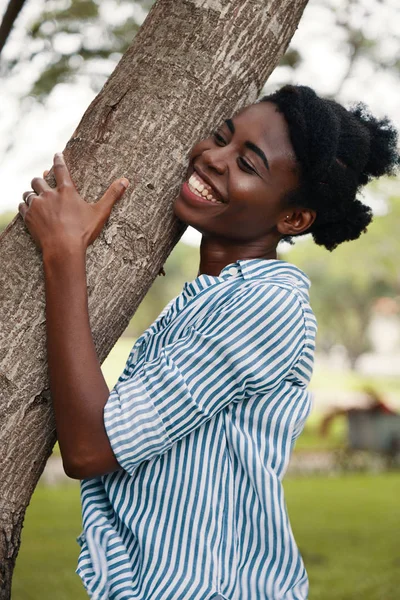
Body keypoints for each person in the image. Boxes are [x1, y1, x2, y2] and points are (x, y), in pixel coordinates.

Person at [19, 85, 399, 599]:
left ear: (292, 219)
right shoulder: (214, 297)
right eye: (221, 137)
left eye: (248, 164)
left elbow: (91, 449)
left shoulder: (267, 307)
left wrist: (64, 254)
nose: (212, 159)